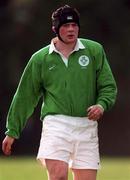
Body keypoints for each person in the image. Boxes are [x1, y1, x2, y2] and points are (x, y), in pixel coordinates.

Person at [2, 4, 117, 180]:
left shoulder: (94, 51)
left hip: (87, 126)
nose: (71, 29)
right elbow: (25, 95)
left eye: (74, 25)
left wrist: (101, 105)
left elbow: (108, 86)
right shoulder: (40, 59)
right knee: (58, 177)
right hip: (56, 125)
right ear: (55, 28)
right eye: (65, 26)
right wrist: (12, 131)